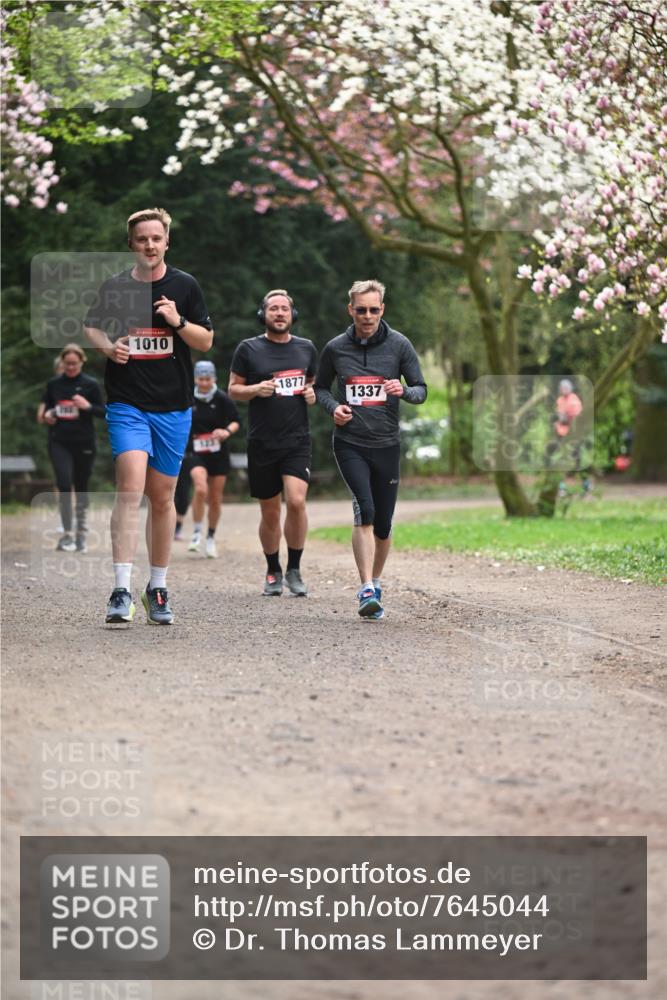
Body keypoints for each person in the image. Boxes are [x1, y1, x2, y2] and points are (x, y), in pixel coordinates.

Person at [84, 207, 214, 625]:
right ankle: (121, 589)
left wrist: (178, 321)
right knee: (130, 486)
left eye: (156, 238)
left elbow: (205, 341)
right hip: (128, 403)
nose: (149, 245)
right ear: (131, 244)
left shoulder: (185, 285)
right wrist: (108, 348)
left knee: (162, 497)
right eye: (142, 239)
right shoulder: (115, 286)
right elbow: (91, 327)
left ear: (166, 242)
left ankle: (157, 588)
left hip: (173, 407)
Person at [315, 279, 427, 619]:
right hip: (350, 442)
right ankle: (365, 588)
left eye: (373, 310)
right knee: (364, 509)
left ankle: (375, 582)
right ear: (350, 310)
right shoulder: (335, 348)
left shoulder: (399, 345)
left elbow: (421, 390)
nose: (367, 316)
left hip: (387, 444)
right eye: (361, 310)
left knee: (383, 524)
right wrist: (334, 408)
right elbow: (320, 388)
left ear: (382, 309)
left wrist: (403, 391)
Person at [228, 289, 317, 596]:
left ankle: (294, 569)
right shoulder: (248, 348)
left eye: (284, 308)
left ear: (293, 314)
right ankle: (272, 570)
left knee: (296, 501)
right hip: (262, 442)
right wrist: (255, 389)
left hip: (297, 440)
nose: (279, 313)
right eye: (273, 308)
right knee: (270, 512)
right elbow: (233, 389)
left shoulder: (306, 348)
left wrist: (312, 394)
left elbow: (312, 384)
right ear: (263, 314)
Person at [37, 343, 105, 552]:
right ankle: (67, 534)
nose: (71, 367)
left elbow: (104, 412)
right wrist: (48, 415)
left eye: (74, 363)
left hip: (84, 442)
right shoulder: (54, 384)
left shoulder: (90, 384)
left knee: (81, 487)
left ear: (82, 362)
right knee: (65, 484)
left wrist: (87, 406)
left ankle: (81, 534)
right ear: (62, 362)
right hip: (59, 441)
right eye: (67, 363)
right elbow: (47, 410)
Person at [185, 360, 240, 558]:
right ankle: (197, 531)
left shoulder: (222, 398)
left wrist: (226, 432)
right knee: (200, 488)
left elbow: (236, 421)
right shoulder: (188, 398)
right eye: (201, 379)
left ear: (214, 379)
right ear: (195, 379)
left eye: (208, 379)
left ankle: (210, 537)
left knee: (215, 499)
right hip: (195, 451)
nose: (204, 383)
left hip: (218, 453)